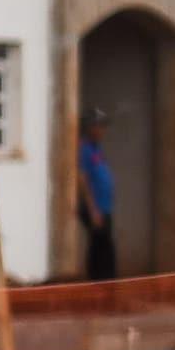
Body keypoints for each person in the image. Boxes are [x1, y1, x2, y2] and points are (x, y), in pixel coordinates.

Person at [78, 116, 121, 284]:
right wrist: (93, 209)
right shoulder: (85, 149)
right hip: (95, 208)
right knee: (102, 248)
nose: (102, 130)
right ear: (90, 128)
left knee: (104, 246)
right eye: (98, 126)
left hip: (104, 207)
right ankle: (100, 285)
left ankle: (105, 286)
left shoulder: (96, 149)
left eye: (103, 126)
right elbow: (82, 178)